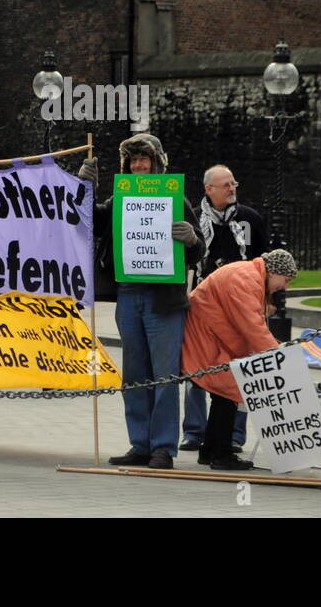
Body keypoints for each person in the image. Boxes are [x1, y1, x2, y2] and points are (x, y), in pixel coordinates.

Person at [83, 133, 203, 471]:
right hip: (129, 295)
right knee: (134, 374)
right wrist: (83, 187)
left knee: (164, 376)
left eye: (144, 160)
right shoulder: (118, 200)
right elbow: (87, 221)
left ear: (156, 163)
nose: (139, 166)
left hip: (164, 299)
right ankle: (140, 444)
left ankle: (163, 448)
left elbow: (198, 248)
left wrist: (192, 239)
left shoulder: (176, 200)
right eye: (133, 160)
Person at [181, 249, 295, 470]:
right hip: (205, 336)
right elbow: (251, 325)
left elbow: (249, 324)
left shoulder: (250, 275)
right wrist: (278, 355)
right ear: (274, 272)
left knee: (224, 393)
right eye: (286, 280)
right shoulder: (248, 279)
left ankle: (211, 449)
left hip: (208, 335)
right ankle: (221, 455)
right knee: (230, 390)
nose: (285, 286)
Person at [182, 164, 268, 454]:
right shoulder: (193, 217)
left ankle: (234, 434)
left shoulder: (250, 219)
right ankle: (194, 432)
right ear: (209, 189)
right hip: (203, 306)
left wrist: (266, 303)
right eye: (225, 185)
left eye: (234, 183)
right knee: (196, 369)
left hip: (239, 307)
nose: (232, 189)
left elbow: (264, 263)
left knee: (240, 369)